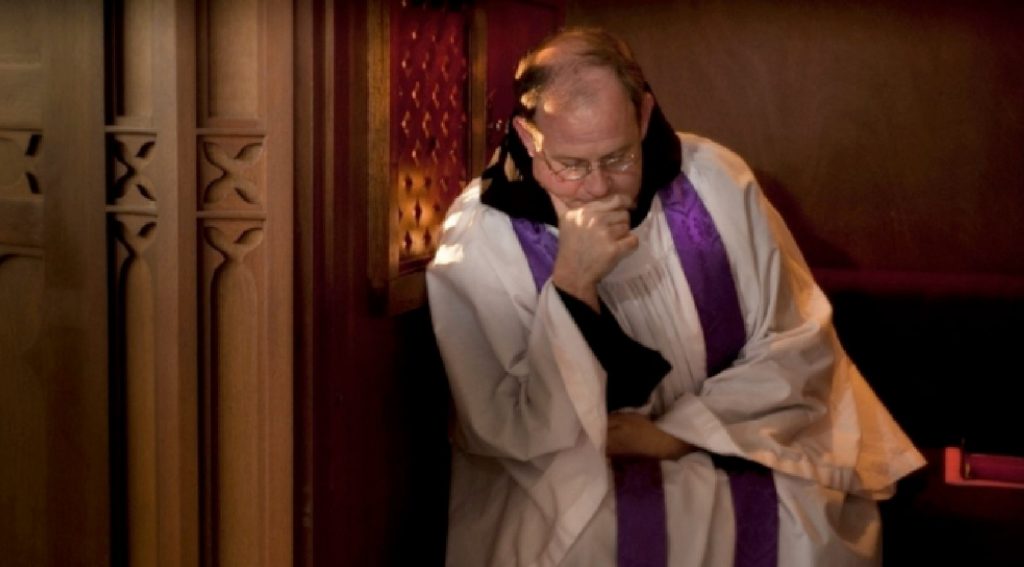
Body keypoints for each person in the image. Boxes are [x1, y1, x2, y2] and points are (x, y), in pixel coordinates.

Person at [426, 27, 924, 567]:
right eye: (571, 165)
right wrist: (571, 284)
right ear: (528, 137)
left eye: (618, 158)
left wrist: (678, 434)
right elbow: (500, 424)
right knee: (595, 541)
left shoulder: (714, 181)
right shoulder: (483, 233)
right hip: (569, 477)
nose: (598, 187)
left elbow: (794, 344)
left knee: (803, 520)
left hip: (729, 437)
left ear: (643, 117)